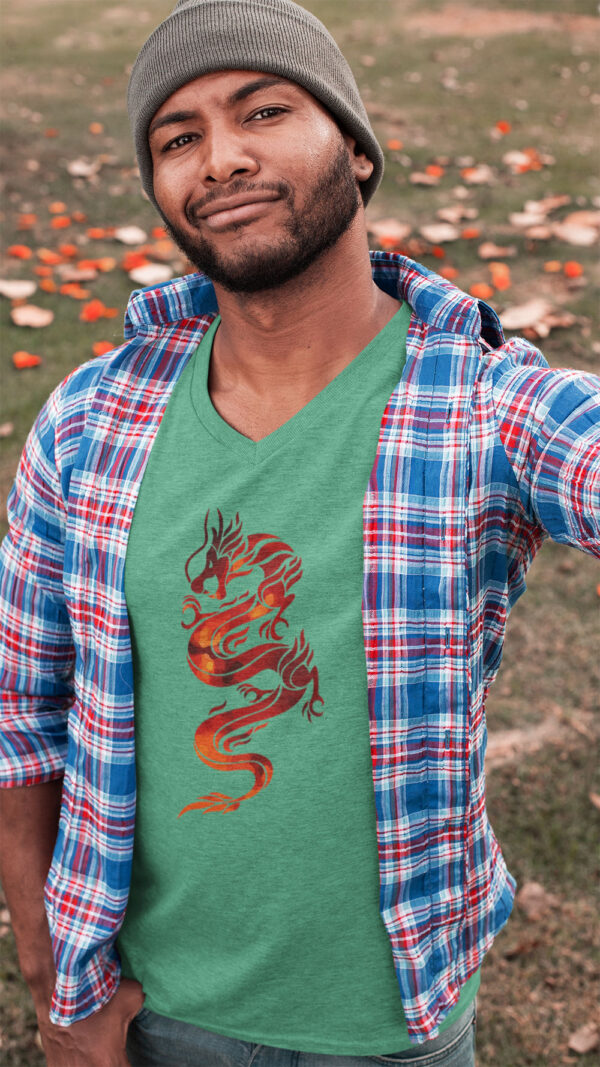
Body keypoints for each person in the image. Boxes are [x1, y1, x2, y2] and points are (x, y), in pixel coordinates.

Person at [0, 0, 598, 1064]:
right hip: (150, 1009)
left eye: (262, 111)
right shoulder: (90, 421)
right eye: (177, 139)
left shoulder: (482, 404)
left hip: (391, 1026)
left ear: (356, 151)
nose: (221, 158)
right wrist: (54, 974)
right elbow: (24, 709)